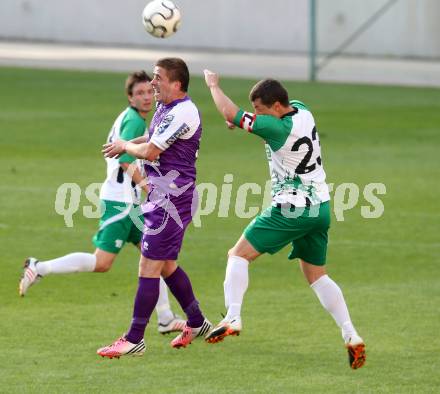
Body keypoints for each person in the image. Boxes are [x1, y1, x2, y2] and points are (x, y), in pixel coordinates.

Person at [202, 70, 366, 370]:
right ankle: (351, 334)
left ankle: (233, 316)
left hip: (292, 208)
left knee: (238, 255)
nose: (257, 115)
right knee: (317, 276)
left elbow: (229, 111)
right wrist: (246, 123)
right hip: (321, 208)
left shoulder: (275, 129)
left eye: (260, 110)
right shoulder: (303, 109)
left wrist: (213, 85)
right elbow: (253, 123)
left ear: (277, 106)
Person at [19, 71, 185, 335]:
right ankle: (39, 267)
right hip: (121, 203)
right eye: (139, 93)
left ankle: (165, 317)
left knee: (157, 256)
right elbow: (126, 160)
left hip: (128, 202)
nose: (145, 97)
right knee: (103, 263)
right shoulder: (132, 121)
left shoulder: (132, 118)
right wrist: (148, 187)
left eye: (147, 92)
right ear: (130, 97)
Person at [96, 58, 211, 359]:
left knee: (149, 266)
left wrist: (123, 145)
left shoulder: (184, 111)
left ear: (176, 83)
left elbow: (151, 151)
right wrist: (124, 143)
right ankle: (197, 322)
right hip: (161, 197)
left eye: (158, 78)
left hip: (171, 200)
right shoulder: (166, 107)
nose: (153, 83)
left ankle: (134, 339)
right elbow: (149, 138)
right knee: (167, 265)